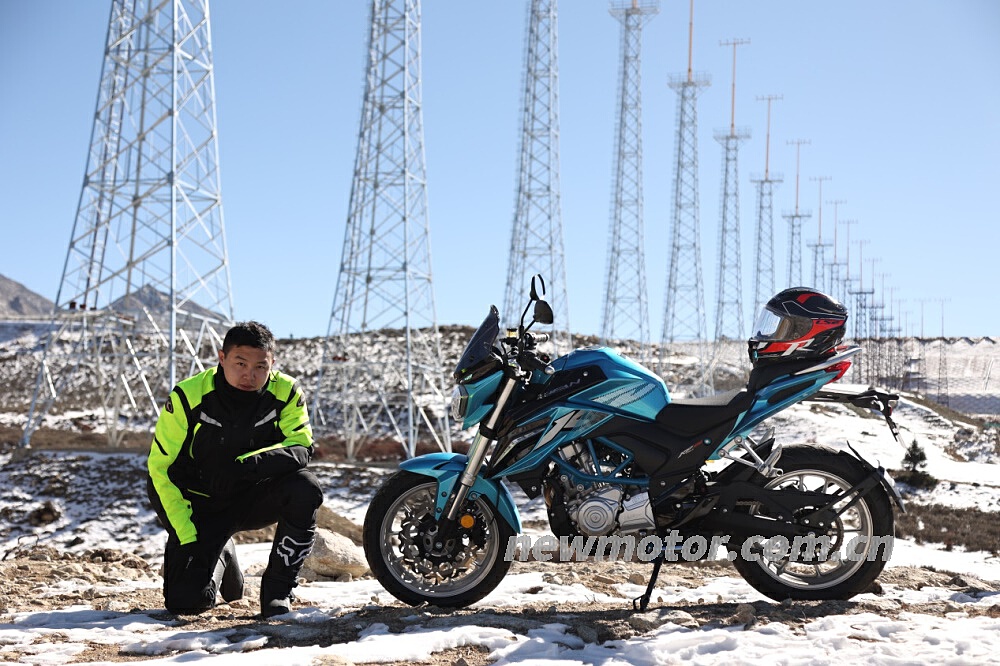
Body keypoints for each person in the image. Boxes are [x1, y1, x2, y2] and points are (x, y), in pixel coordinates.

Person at [146, 320, 324, 618]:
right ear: (221, 358)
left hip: (255, 497)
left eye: (260, 367)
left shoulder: (287, 391)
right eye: (240, 363)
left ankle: (277, 592)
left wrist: (245, 466)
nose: (249, 375)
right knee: (187, 603)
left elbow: (301, 447)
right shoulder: (187, 396)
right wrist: (188, 537)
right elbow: (159, 471)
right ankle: (222, 554)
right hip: (201, 507)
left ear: (272, 364)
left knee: (305, 488)